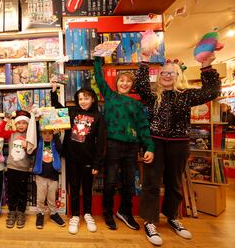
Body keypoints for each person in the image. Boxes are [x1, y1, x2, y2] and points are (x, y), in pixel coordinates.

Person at [135, 54, 220, 246]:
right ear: (159, 76)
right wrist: (145, 59)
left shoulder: (187, 95)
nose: (167, 75)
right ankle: (150, 221)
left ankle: (172, 216)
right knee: (151, 183)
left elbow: (211, 92)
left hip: (179, 144)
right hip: (154, 143)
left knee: (174, 182)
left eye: (171, 73)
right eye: (163, 72)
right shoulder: (151, 94)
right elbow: (140, 85)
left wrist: (206, 65)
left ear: (178, 76)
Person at [93, 52, 155, 231]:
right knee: (110, 181)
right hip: (112, 145)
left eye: (128, 81)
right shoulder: (110, 96)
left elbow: (143, 126)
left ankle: (125, 212)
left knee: (129, 182)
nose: (125, 83)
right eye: (122, 80)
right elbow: (99, 78)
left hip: (131, 148)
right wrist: (98, 59)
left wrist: (149, 146)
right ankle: (107, 212)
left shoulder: (137, 104)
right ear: (116, 82)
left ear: (132, 85)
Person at [51, 84, 106, 234]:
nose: (83, 101)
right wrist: (53, 90)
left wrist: (97, 163)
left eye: (86, 98)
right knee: (73, 188)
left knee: (87, 189)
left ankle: (87, 214)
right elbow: (56, 107)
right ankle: (75, 215)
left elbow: (101, 142)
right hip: (72, 158)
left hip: (88, 160)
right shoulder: (72, 111)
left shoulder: (98, 117)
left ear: (93, 99)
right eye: (80, 98)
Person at [0, 110, 32, 229]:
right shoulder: (11, 134)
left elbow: (34, 150)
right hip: (11, 168)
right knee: (11, 191)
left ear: (28, 124)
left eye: (24, 123)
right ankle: (12, 212)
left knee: (22, 192)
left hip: (24, 169)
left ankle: (21, 212)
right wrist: (5, 120)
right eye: (19, 123)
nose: (21, 125)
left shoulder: (30, 135)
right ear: (15, 124)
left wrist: (28, 147)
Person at [29, 129, 66, 229]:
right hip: (40, 175)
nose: (47, 136)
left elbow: (60, 148)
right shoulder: (38, 143)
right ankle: (40, 214)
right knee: (40, 198)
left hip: (53, 175)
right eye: (45, 133)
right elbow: (30, 150)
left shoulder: (55, 143)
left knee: (51, 198)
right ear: (40, 133)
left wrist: (56, 135)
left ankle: (53, 214)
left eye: (50, 133)